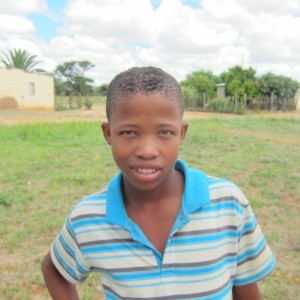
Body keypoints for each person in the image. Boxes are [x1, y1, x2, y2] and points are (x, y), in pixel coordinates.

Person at [42, 66, 275, 299]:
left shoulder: (228, 203)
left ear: (181, 133)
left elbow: (247, 288)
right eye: (129, 133)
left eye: (164, 132)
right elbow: (54, 269)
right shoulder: (89, 218)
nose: (147, 151)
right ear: (108, 133)